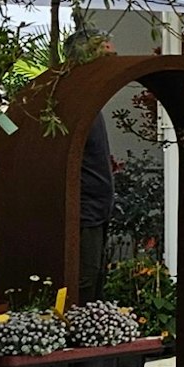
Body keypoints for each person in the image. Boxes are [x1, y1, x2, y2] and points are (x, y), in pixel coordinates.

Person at [65, 28, 117, 303]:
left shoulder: (91, 104)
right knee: (85, 278)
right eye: (105, 55)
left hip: (98, 208)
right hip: (86, 210)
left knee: (94, 277)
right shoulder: (77, 102)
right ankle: (78, 323)